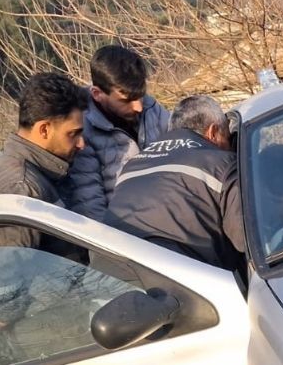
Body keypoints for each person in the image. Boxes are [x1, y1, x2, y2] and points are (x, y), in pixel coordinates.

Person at [0, 72, 87, 335]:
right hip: (48, 330)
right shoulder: (21, 187)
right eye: (73, 134)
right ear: (44, 129)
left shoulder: (19, 168)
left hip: (54, 319)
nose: (82, 143)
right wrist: (3, 314)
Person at [104, 95, 246, 272]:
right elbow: (248, 241)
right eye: (227, 138)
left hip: (114, 277)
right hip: (189, 284)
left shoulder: (132, 166)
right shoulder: (221, 165)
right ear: (213, 132)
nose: (228, 147)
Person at [67, 45, 171, 220]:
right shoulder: (82, 132)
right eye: (127, 100)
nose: (138, 107)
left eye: (141, 96)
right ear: (97, 93)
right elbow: (90, 205)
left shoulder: (152, 109)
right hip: (125, 236)